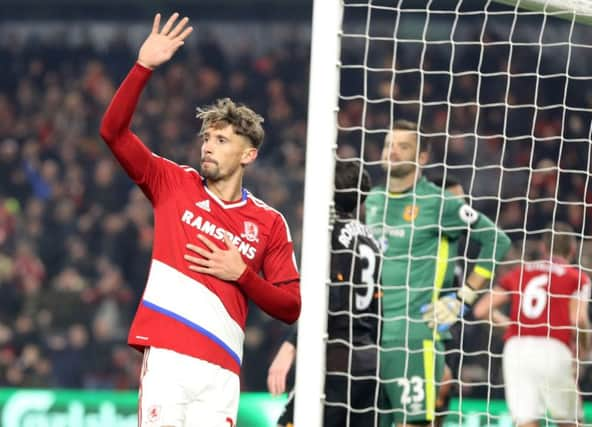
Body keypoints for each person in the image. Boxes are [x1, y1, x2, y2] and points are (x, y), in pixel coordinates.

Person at [99, 13, 301, 427]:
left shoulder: (269, 222)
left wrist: (242, 273)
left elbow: (291, 306)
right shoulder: (173, 183)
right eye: (207, 137)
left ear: (248, 155)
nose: (208, 146)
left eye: (222, 140)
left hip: (222, 369)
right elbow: (113, 134)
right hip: (169, 359)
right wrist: (143, 68)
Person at [364, 119, 511, 427]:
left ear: (422, 158)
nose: (393, 152)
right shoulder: (373, 200)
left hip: (415, 336)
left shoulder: (438, 201)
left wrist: (463, 298)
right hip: (370, 336)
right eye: (389, 144)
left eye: (403, 146)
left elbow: (497, 240)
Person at [260, 160, 381, 427]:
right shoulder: (371, 239)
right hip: (369, 364)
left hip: (334, 363)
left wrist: (290, 346)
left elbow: (329, 300)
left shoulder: (329, 235)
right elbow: (377, 308)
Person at [473, 222, 591, 427]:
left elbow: (481, 310)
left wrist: (513, 326)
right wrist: (583, 349)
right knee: (570, 421)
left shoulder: (519, 272)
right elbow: (578, 320)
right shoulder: (577, 277)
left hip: (516, 349)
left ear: (543, 249)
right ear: (573, 250)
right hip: (552, 347)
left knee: (526, 420)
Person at [427, 174, 466, 427]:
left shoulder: (454, 247)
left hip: (449, 339)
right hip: (423, 341)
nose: (463, 209)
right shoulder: (421, 245)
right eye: (456, 202)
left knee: (441, 406)